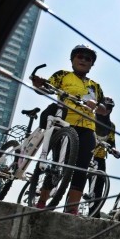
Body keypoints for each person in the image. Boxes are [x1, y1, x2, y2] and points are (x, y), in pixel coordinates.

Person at [31, 44, 107, 215]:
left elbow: (103, 110)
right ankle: (42, 201)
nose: (84, 60)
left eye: (88, 59)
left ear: (92, 64)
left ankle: (72, 208)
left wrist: (97, 106)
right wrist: (38, 85)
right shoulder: (62, 75)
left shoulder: (95, 86)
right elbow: (45, 89)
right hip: (65, 123)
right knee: (57, 163)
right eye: (80, 56)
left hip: (88, 128)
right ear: (72, 59)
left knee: (82, 168)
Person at [87, 97, 120, 218]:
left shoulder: (111, 125)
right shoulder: (90, 116)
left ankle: (94, 214)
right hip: (86, 153)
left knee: (99, 187)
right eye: (106, 106)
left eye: (110, 108)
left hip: (100, 157)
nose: (108, 110)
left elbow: (112, 142)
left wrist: (114, 151)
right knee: (78, 180)